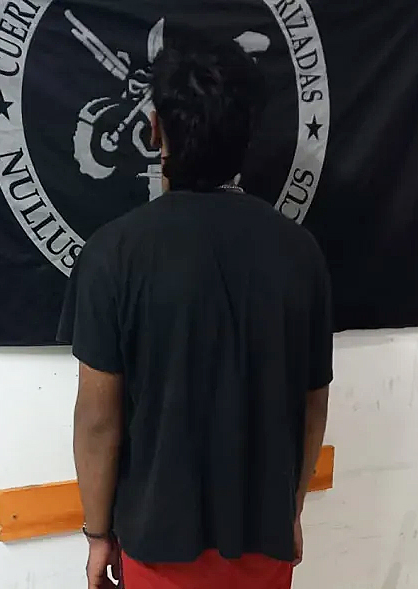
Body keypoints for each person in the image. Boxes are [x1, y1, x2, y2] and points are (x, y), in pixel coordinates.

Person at [57, 32, 333, 589]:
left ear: (155, 128)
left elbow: (99, 420)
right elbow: (312, 406)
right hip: (263, 546)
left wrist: (97, 534)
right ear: (247, 134)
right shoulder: (300, 253)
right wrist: (292, 509)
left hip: (157, 551)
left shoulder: (113, 254)